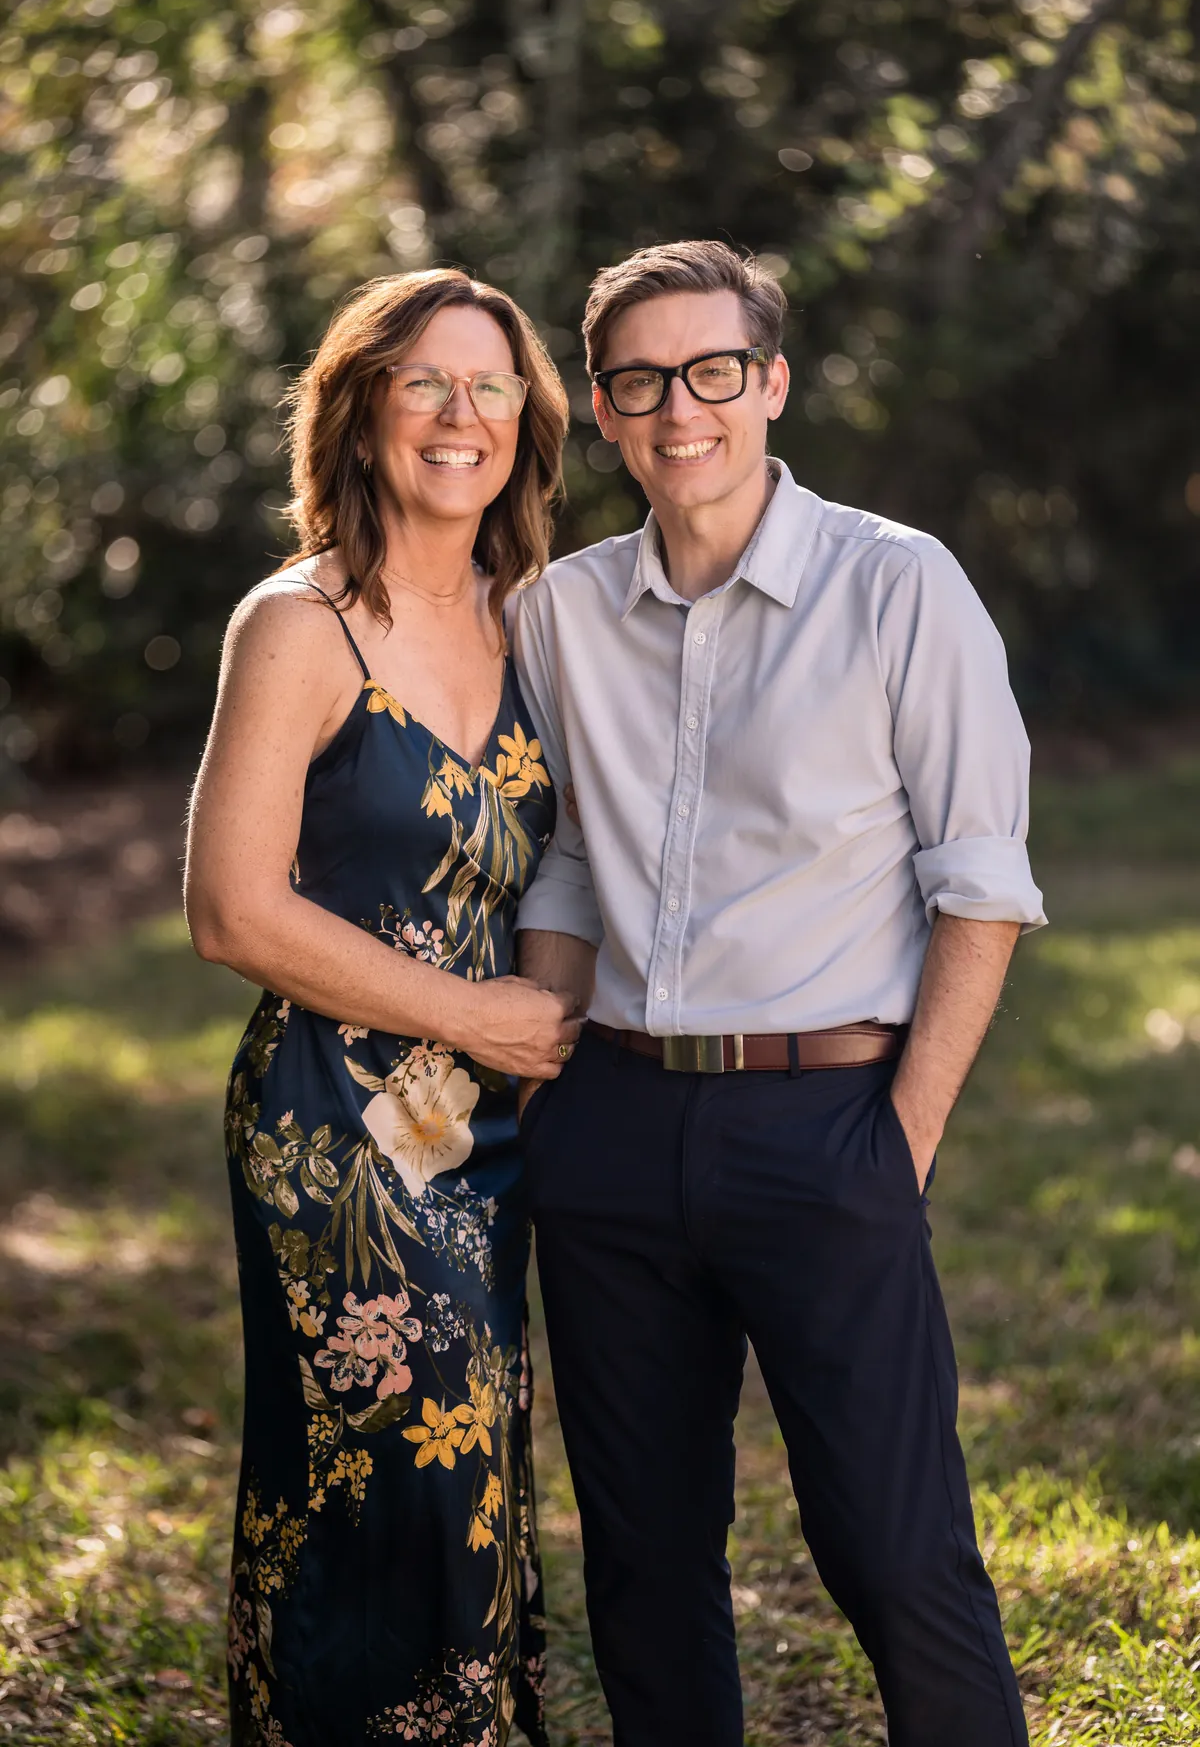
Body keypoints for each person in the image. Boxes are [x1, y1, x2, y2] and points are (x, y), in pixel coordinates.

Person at [513, 239, 1045, 1747]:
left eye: (713, 371)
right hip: (609, 1129)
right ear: (605, 413)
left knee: (892, 1549)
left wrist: (902, 1141)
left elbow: (982, 883)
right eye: (640, 381)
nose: (681, 409)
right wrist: (547, 1065)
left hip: (829, 1123)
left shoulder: (898, 585)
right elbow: (562, 859)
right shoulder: (558, 615)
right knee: (644, 1561)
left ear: (771, 383)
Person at [184, 268, 581, 1747]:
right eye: (424, 382)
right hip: (332, 1124)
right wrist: (478, 1019)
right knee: (402, 1464)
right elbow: (232, 908)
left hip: (495, 1127)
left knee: (475, 1461)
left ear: (527, 424)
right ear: (360, 410)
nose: (458, 415)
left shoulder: (535, 618)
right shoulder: (301, 623)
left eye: (489, 387)